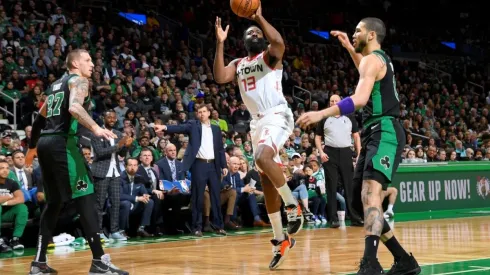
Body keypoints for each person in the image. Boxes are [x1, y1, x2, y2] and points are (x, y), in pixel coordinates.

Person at [296, 18, 421, 275]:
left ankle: (370, 264)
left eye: (357, 31)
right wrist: (349, 49)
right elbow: (366, 76)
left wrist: (322, 114)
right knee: (357, 202)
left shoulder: (372, 60)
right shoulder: (375, 60)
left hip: (385, 130)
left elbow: (361, 99)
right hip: (374, 133)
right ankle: (404, 261)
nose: (353, 33)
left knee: (368, 196)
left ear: (371, 34)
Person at [213, 4, 304, 270]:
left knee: (264, 157)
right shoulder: (239, 63)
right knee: (265, 177)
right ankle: (280, 238)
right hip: (257, 123)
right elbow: (219, 77)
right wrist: (220, 43)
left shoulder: (270, 56)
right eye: (249, 32)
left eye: (257, 32)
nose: (253, 34)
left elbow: (278, 41)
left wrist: (259, 17)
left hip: (277, 113)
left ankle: (292, 206)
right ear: (242, 42)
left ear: (262, 38)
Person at [25, 49, 129, 275]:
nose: (93, 64)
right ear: (74, 63)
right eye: (88, 60)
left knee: (53, 204)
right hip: (63, 143)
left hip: (45, 144)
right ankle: (99, 261)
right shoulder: (79, 81)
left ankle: (38, 262)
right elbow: (74, 107)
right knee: (86, 199)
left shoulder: (53, 87)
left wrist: (32, 149)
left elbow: (38, 121)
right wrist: (96, 128)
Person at [158, 104, 228, 237]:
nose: (201, 114)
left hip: (213, 166)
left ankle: (219, 226)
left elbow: (220, 149)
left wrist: (224, 165)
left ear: (209, 113)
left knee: (215, 197)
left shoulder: (216, 129)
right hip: (199, 165)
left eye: (203, 111)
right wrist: (165, 127)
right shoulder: (193, 126)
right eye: (199, 112)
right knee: (197, 197)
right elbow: (180, 127)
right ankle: (197, 227)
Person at [315, 94, 363, 228]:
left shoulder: (349, 117)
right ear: (329, 103)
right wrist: (321, 152)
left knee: (349, 186)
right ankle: (333, 219)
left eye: (336, 100)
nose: (333, 102)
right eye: (331, 101)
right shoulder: (325, 118)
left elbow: (356, 136)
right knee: (331, 186)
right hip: (330, 153)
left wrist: (359, 153)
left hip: (346, 152)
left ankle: (354, 217)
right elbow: (318, 137)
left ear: (341, 102)